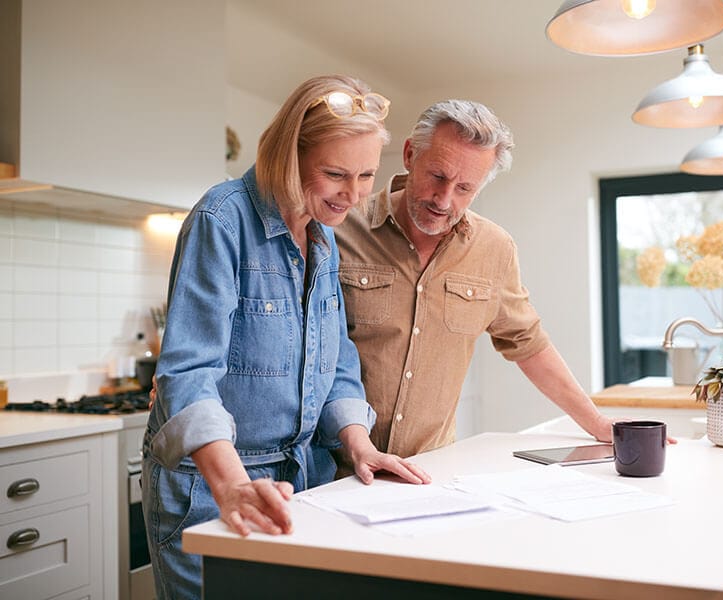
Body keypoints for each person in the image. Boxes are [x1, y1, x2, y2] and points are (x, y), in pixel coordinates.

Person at [141, 75, 430, 600]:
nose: (355, 193)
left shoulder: (323, 238)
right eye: (336, 173)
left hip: (304, 477)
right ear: (286, 157)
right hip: (213, 486)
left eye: (367, 174)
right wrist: (231, 486)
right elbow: (187, 372)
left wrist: (359, 445)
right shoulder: (222, 220)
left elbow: (337, 357)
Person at [335, 99, 648, 460]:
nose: (444, 199)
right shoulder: (341, 228)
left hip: (428, 469)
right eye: (438, 176)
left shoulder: (494, 249)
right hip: (332, 469)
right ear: (409, 155)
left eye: (465, 188)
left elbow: (529, 344)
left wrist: (596, 422)